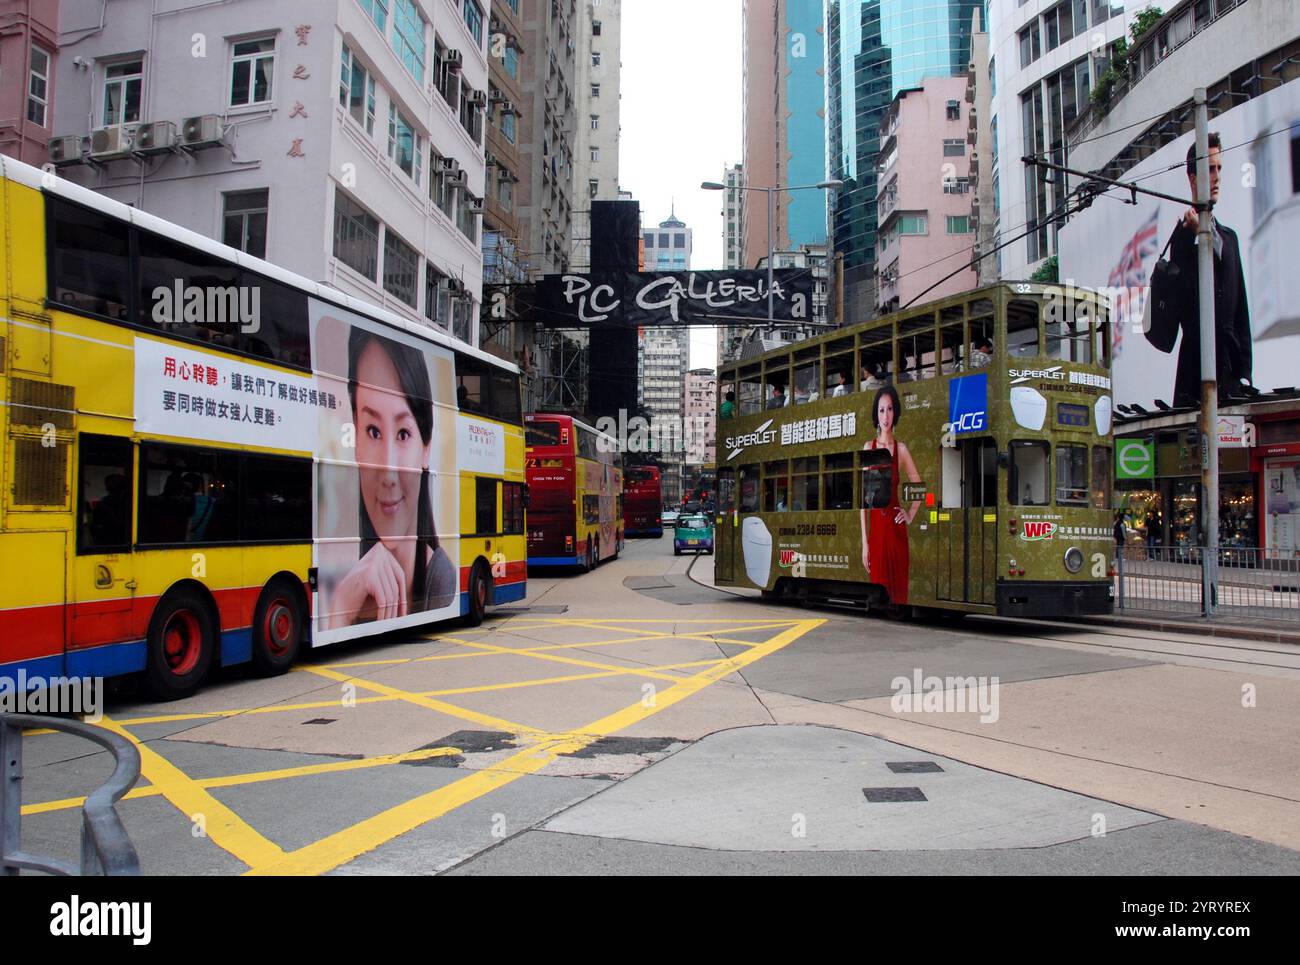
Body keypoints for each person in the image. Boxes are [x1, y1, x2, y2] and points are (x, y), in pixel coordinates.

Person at [328, 327, 457, 628]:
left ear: (426, 448)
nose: (388, 472)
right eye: (373, 431)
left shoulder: (442, 582)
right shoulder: (347, 578)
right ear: (355, 438)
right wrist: (340, 608)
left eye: (403, 434)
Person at [1147, 133, 1253, 407]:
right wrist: (1194, 235)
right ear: (1193, 179)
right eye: (1209, 169)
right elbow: (1182, 300)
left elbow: (1240, 308)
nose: (1216, 176)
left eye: (1219, 168)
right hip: (1195, 368)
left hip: (1230, 370)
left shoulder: (1229, 238)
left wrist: (1245, 372)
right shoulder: (1182, 236)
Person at [860, 386, 921, 605]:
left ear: (895, 413)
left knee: (899, 596)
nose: (886, 416)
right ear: (876, 415)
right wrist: (865, 544)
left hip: (897, 533)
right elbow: (863, 500)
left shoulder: (901, 449)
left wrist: (910, 514)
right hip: (876, 531)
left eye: (889, 409)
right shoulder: (869, 447)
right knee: (879, 592)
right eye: (881, 410)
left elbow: (919, 485)